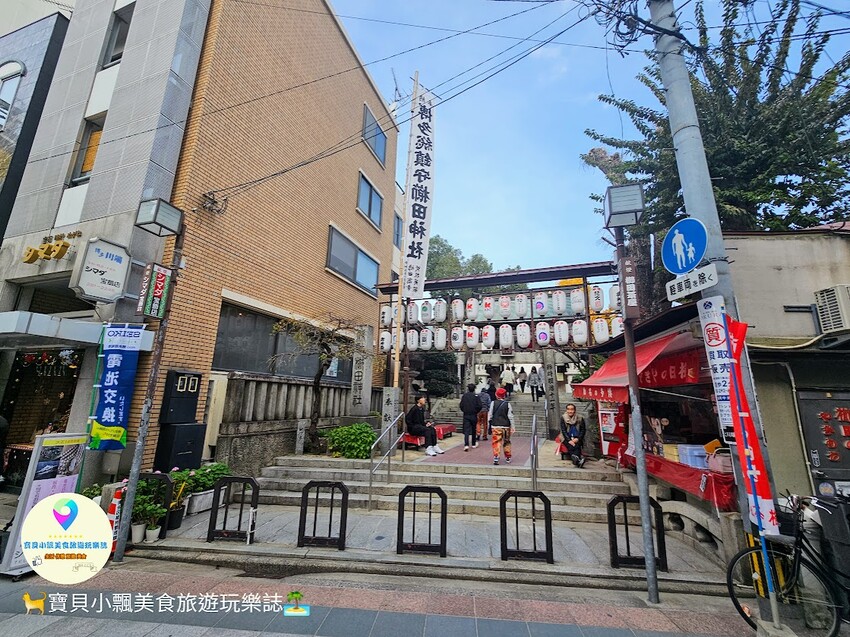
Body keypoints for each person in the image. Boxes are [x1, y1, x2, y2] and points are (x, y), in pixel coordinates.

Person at [488, 388, 515, 465]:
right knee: (507, 441)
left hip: (496, 426)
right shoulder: (507, 404)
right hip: (506, 426)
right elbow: (510, 416)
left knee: (496, 442)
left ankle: (496, 456)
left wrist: (489, 423)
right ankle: (508, 456)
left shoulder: (493, 403)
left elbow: (490, 415)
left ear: (496, 395)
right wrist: (513, 426)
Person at [459, 384, 481, 451]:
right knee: (473, 429)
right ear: (474, 389)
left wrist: (464, 410)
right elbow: (480, 406)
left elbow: (461, 405)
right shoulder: (476, 396)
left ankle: (466, 445)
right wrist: (476, 411)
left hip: (466, 414)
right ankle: (473, 443)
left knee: (466, 430)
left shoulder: (464, 396)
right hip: (473, 414)